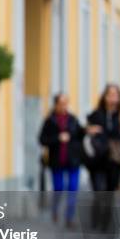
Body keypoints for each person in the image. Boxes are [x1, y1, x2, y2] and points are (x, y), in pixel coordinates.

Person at [84, 84, 120, 239]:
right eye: (109, 94)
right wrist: (88, 130)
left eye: (115, 94)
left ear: (119, 98)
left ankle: (104, 233)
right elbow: (82, 134)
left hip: (114, 164)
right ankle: (93, 232)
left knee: (109, 198)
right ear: (104, 96)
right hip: (97, 163)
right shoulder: (95, 115)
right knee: (99, 194)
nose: (112, 97)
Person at [39, 94, 84, 229]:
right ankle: (55, 209)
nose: (64, 106)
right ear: (56, 104)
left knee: (73, 188)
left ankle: (69, 218)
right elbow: (42, 140)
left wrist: (87, 130)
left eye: (66, 103)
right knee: (58, 188)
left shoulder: (73, 119)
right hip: (57, 161)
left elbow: (80, 135)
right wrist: (57, 138)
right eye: (61, 103)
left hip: (73, 161)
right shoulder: (50, 121)